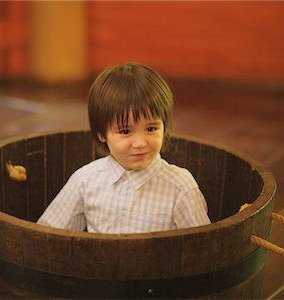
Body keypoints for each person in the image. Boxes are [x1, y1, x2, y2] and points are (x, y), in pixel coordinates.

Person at [37, 62, 211, 233]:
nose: (140, 143)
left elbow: (203, 249)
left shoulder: (180, 187)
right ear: (101, 133)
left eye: (151, 129)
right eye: (125, 131)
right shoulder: (86, 181)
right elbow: (47, 235)